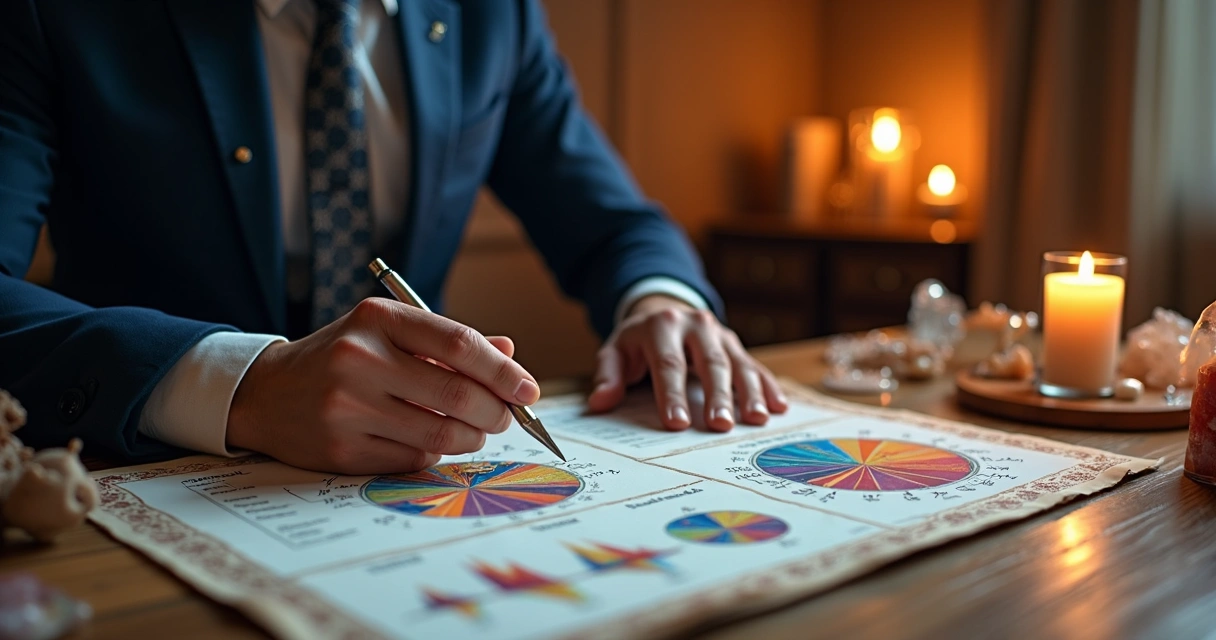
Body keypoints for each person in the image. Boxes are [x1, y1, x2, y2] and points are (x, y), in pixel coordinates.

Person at [0, 0, 787, 474]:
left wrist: (662, 299)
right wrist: (244, 386)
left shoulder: (492, 16)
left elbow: (613, 222)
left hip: (410, 483)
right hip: (123, 476)